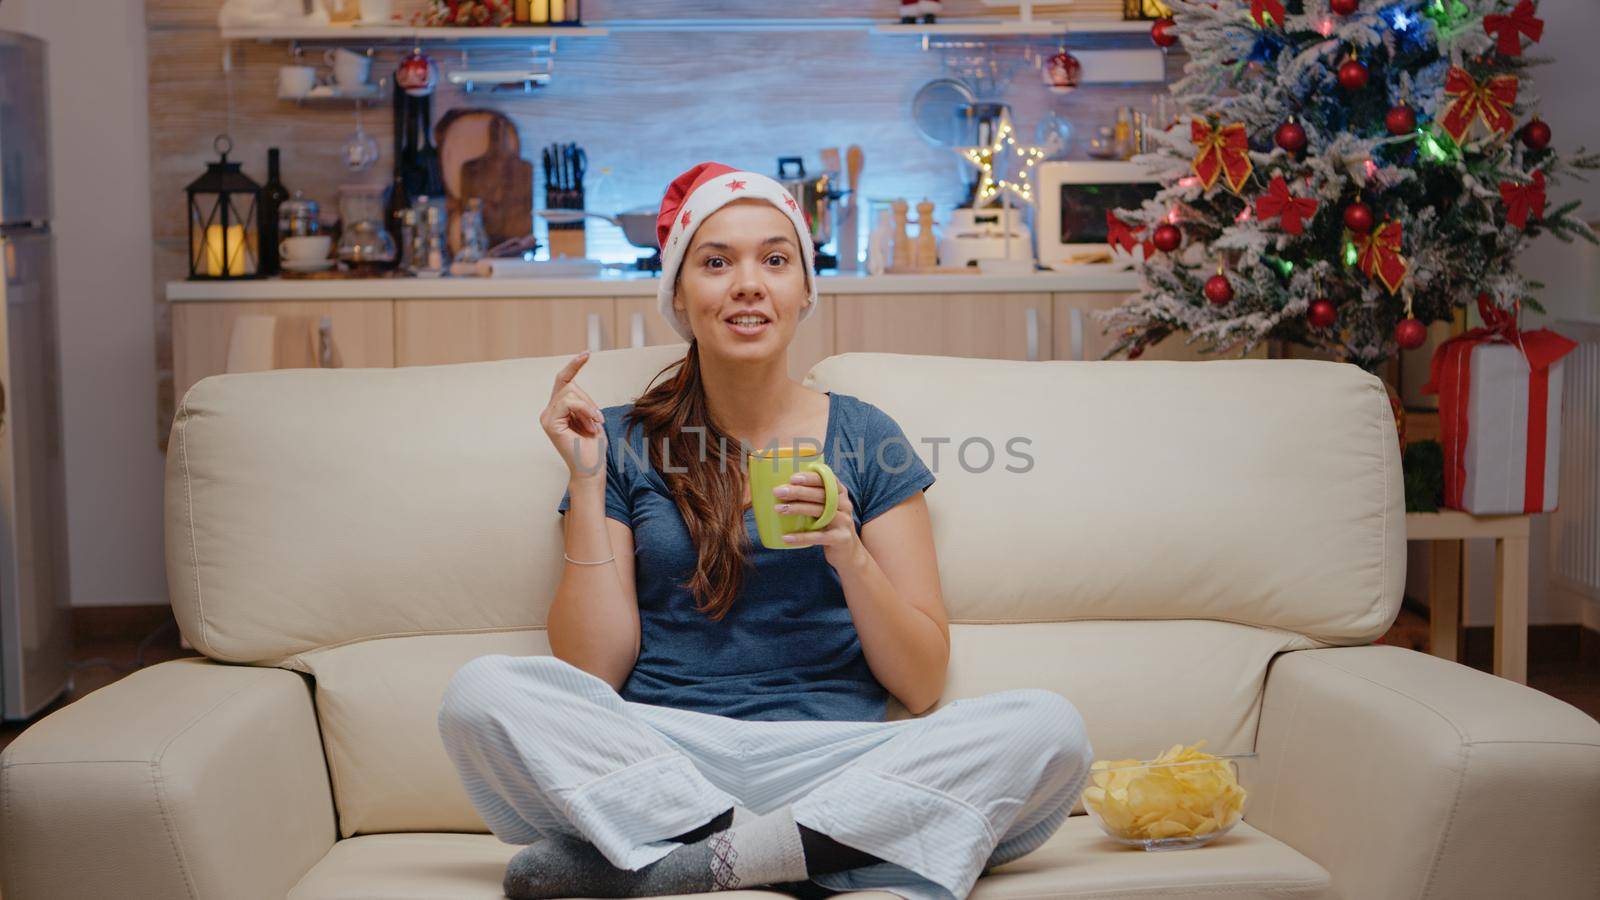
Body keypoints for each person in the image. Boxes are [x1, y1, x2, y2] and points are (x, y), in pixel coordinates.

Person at [436, 162, 1093, 900]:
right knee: (479, 693)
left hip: (835, 758)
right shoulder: (616, 442)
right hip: (667, 753)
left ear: (805, 290)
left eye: (775, 260)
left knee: (1050, 729)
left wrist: (848, 550)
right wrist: (588, 483)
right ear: (679, 295)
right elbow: (592, 673)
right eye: (716, 263)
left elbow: (921, 679)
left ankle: (686, 866)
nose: (748, 284)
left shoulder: (865, 435)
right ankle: (822, 856)